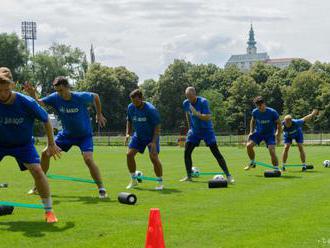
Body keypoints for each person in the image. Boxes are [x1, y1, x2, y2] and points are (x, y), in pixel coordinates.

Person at [23, 76, 108, 198]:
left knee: (88, 159)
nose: (59, 93)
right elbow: (40, 103)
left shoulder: (79, 96)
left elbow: (95, 96)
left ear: (67, 87)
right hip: (66, 135)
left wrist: (99, 114)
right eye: (57, 91)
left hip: (84, 135)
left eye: (61, 90)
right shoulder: (55, 97)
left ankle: (101, 188)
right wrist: (33, 94)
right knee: (45, 153)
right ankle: (38, 186)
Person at [0, 68, 61, 223]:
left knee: (37, 171)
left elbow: (46, 118)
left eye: (6, 90)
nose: (2, 94)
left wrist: (51, 143)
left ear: (12, 86)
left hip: (23, 144)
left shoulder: (25, 102)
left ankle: (49, 211)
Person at [180, 87, 234, 183]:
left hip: (207, 131)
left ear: (195, 95)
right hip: (194, 131)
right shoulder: (186, 103)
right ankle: (189, 176)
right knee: (187, 152)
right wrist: (190, 127)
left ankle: (228, 175)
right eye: (187, 97)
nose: (189, 99)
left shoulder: (203, 102)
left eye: (191, 97)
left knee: (216, 152)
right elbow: (187, 115)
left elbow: (208, 117)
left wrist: (197, 114)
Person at [124, 89, 164, 190]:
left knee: (153, 157)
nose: (134, 103)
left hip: (151, 136)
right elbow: (129, 120)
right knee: (129, 155)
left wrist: (154, 142)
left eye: (136, 101)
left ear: (141, 99)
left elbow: (157, 126)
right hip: (138, 136)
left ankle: (160, 182)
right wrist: (128, 134)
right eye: (133, 101)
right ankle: (133, 181)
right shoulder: (131, 107)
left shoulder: (151, 109)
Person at [245, 96, 282, 171]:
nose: (259, 107)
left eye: (260, 106)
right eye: (257, 106)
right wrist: (251, 131)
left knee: (271, 150)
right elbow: (252, 121)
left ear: (264, 104)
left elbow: (279, 123)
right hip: (259, 133)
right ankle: (252, 162)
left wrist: (278, 134)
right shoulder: (255, 112)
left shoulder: (272, 112)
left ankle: (276, 169)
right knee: (249, 146)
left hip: (270, 134)